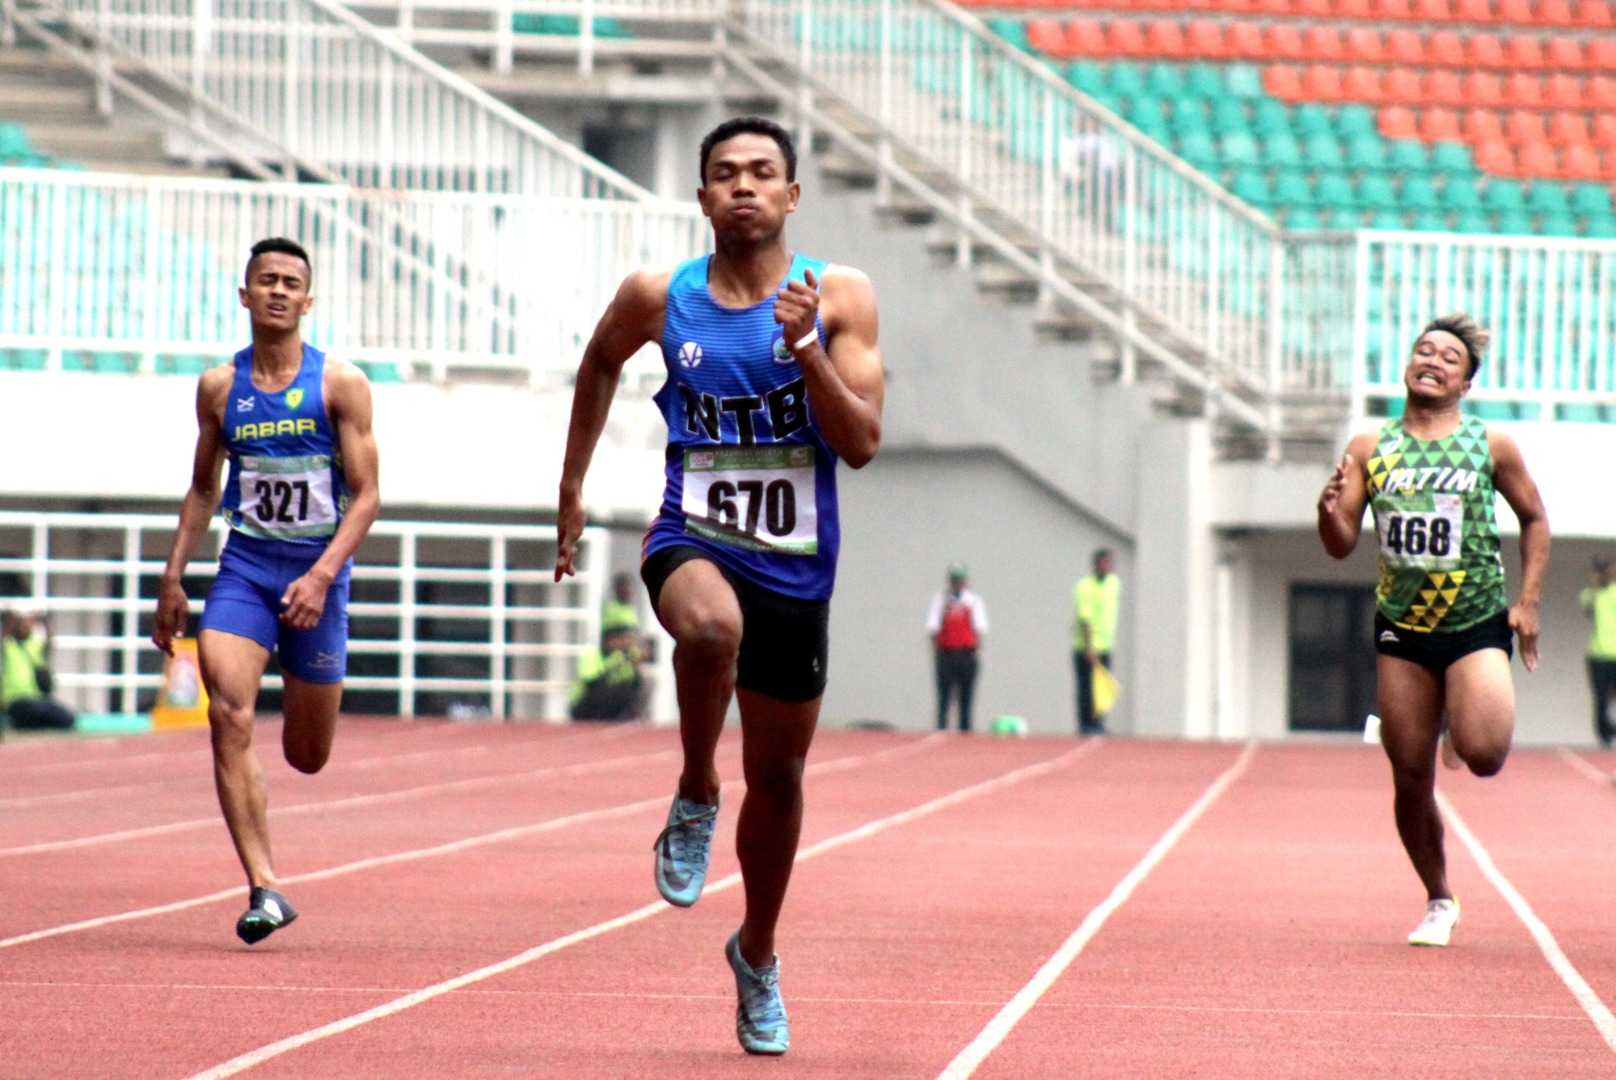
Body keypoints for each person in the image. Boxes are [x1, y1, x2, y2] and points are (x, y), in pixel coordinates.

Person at [554, 115, 883, 1056]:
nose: (744, 186)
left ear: (791, 196)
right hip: (692, 530)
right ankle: (697, 783)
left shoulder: (841, 296)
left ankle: (759, 955)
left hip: (798, 562)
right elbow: (599, 363)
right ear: (702, 198)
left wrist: (808, 349)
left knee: (778, 778)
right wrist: (571, 489)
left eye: (762, 172)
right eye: (725, 174)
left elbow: (860, 445)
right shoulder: (660, 297)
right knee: (706, 632)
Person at [151, 237, 381, 946]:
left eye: (291, 283)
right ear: (245, 295)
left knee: (308, 755)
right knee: (228, 711)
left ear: (308, 301)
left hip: (318, 574)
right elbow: (202, 488)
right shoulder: (220, 388)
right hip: (247, 569)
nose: (278, 291)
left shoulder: (340, 384)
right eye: (266, 281)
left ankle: (298, 667)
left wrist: (320, 576)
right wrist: (172, 574)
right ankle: (266, 884)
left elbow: (369, 496)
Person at [1317, 312, 1548, 948]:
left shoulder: (1489, 444)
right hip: (1403, 630)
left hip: (1474, 622)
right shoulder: (1370, 446)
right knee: (1410, 774)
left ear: (1465, 383)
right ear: (1407, 365)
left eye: (1450, 357)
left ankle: (1458, 717)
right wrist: (1326, 506)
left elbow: (1534, 519)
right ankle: (1439, 897)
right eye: (1425, 350)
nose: (1434, 360)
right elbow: (1339, 545)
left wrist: (1526, 602)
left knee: (1484, 755)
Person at [926, 563, 987, 732]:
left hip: (967, 653)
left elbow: (979, 628)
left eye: (959, 580)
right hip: (946, 653)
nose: (957, 583)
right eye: (954, 580)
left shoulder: (974, 601)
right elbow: (933, 628)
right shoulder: (940, 600)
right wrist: (937, 653)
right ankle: (941, 731)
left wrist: (978, 652)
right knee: (944, 698)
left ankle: (965, 731)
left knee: (966, 698)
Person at [1, 609, 75, 731]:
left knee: (67, 717)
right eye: (22, 624)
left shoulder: (35, 646)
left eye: (28, 624)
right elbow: (3, 639)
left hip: (37, 698)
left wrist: (44, 621)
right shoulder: (9, 647)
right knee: (32, 711)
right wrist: (10, 620)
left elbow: (50, 642)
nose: (26, 627)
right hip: (15, 700)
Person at [1073, 548, 1120, 735]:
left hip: (1106, 644)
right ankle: (1086, 724)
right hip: (1087, 646)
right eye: (1103, 563)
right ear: (1095, 565)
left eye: (1109, 563)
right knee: (1086, 688)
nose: (1107, 567)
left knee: (1102, 688)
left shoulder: (1114, 584)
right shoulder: (1086, 587)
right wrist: (1088, 647)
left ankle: (1099, 722)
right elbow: (1085, 619)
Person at [568, 625, 648, 721]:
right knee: (607, 688)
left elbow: (632, 684)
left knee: (643, 683)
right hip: (583, 703)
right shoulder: (592, 655)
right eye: (618, 639)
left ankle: (628, 720)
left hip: (609, 703)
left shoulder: (624, 657)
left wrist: (633, 666)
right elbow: (592, 681)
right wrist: (618, 662)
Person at [1581, 554, 1616, 748]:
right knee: (1601, 698)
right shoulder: (1589, 594)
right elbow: (1588, 607)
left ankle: (1611, 730)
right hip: (1598, 654)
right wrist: (1595, 584)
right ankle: (1605, 736)